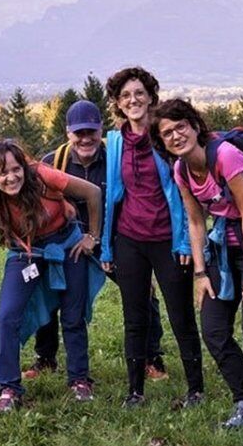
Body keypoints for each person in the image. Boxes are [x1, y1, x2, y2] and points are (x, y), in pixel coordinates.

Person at [156, 99, 243, 446]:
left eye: (180, 126)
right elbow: (196, 221)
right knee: (215, 331)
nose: (175, 136)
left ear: (195, 125)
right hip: (223, 251)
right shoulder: (181, 170)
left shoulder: (227, 156)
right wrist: (201, 273)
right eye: (167, 133)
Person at [26, 99, 168, 381]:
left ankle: (151, 358)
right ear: (68, 132)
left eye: (91, 131)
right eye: (79, 132)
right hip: (65, 241)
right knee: (49, 292)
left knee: (143, 293)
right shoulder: (52, 162)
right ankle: (45, 357)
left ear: (100, 128)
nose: (85, 138)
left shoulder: (116, 159)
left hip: (111, 239)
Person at [0, 139, 104, 411]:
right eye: (2, 172)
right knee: (6, 317)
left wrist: (92, 236)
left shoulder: (42, 175)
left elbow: (93, 193)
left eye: (16, 169)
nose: (11, 177)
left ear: (24, 166)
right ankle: (9, 389)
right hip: (25, 254)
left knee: (73, 315)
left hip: (66, 245)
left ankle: (79, 380)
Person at [100, 67, 205, 408]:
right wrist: (106, 244)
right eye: (125, 96)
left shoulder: (164, 136)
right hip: (129, 238)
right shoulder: (114, 140)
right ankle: (135, 392)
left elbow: (184, 191)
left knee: (180, 315)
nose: (133, 100)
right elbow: (111, 194)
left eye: (139, 93)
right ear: (117, 103)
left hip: (168, 238)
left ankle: (195, 390)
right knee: (135, 316)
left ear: (150, 97)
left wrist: (187, 242)